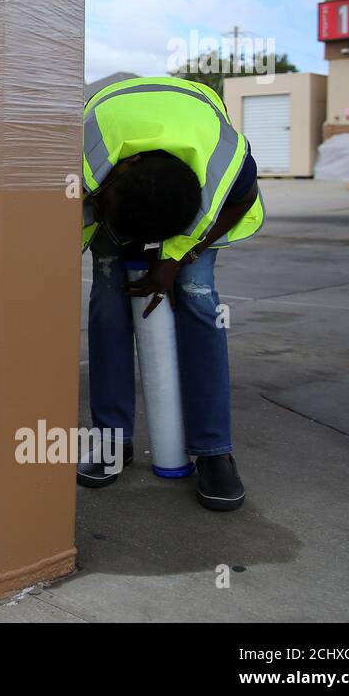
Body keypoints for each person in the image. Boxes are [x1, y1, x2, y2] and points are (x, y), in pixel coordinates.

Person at [79, 76, 264, 511]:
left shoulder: (226, 165)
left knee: (197, 296)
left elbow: (241, 202)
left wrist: (177, 258)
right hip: (117, 187)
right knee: (109, 297)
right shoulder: (83, 155)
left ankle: (214, 450)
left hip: (182, 194)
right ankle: (110, 441)